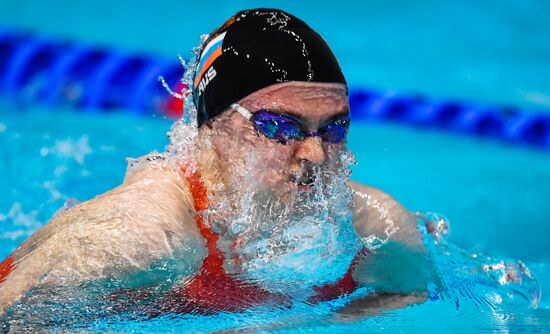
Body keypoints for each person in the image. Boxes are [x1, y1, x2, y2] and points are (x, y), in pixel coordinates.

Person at [0, 8, 431, 315]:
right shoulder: (145, 238)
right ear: (211, 128)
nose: (316, 154)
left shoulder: (375, 228)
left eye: (334, 129)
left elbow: (402, 299)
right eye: (280, 127)